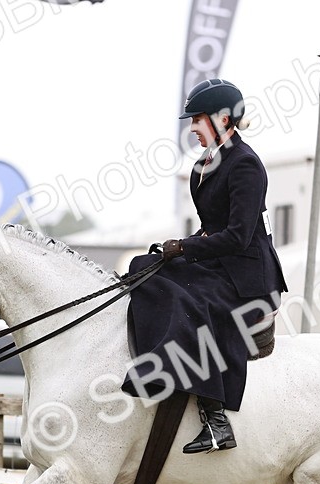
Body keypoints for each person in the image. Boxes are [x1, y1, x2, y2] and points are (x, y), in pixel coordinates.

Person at [121, 78, 288, 454]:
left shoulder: (245, 165)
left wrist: (185, 247)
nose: (193, 128)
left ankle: (216, 419)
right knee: (145, 268)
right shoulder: (205, 164)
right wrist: (179, 249)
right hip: (221, 264)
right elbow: (212, 227)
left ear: (222, 119)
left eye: (197, 120)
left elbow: (238, 237)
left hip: (248, 277)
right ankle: (158, 367)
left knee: (192, 301)